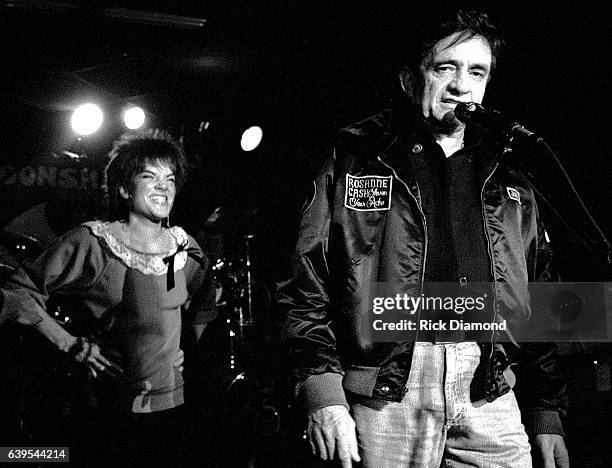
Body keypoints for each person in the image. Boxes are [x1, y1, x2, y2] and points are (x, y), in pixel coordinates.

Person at [277, 9, 569, 468]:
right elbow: (304, 279)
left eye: (477, 71)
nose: (461, 85)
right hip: (387, 391)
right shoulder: (358, 154)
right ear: (411, 80)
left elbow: (542, 289)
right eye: (445, 68)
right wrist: (321, 392)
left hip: (489, 386)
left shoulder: (509, 168)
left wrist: (546, 409)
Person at [0, 129, 217, 467]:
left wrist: (187, 345)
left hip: (173, 410)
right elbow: (20, 290)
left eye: (170, 179)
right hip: (112, 414)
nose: (164, 186)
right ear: (124, 188)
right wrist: (70, 344)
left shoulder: (184, 246)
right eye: (150, 177)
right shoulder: (94, 242)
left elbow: (205, 302)